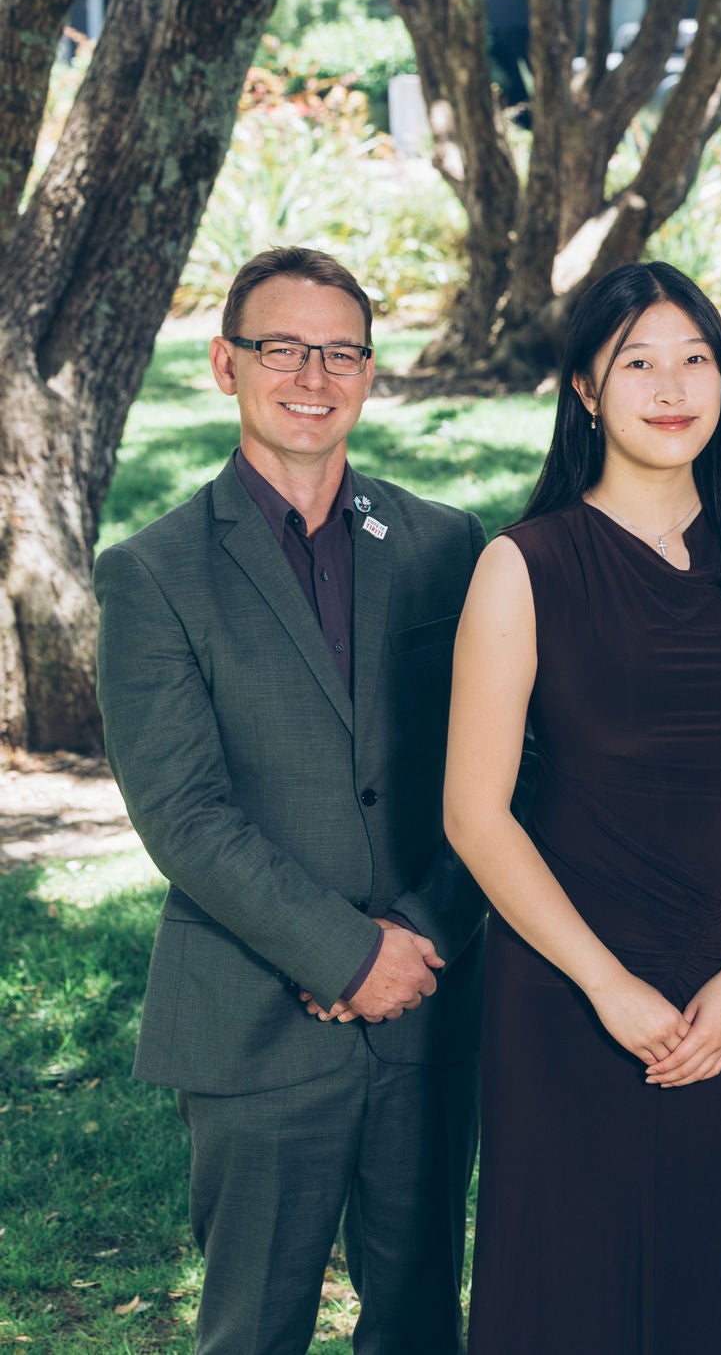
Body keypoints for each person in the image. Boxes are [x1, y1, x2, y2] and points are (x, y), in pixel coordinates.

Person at [94, 247, 485, 1354]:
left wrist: (420, 931)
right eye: (281, 346)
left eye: (340, 350)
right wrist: (344, 953)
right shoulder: (154, 570)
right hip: (255, 1021)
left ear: (368, 372)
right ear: (227, 363)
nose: (311, 373)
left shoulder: (446, 545)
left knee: (418, 1323)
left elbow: (510, 769)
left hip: (427, 1011)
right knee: (253, 1330)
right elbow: (182, 811)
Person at [449, 263, 721, 1354]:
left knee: (713, 1275)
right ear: (584, 387)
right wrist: (606, 983)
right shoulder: (521, 566)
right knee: (565, 1280)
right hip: (565, 978)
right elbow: (476, 814)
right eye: (638, 363)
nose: (671, 388)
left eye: (696, 359)